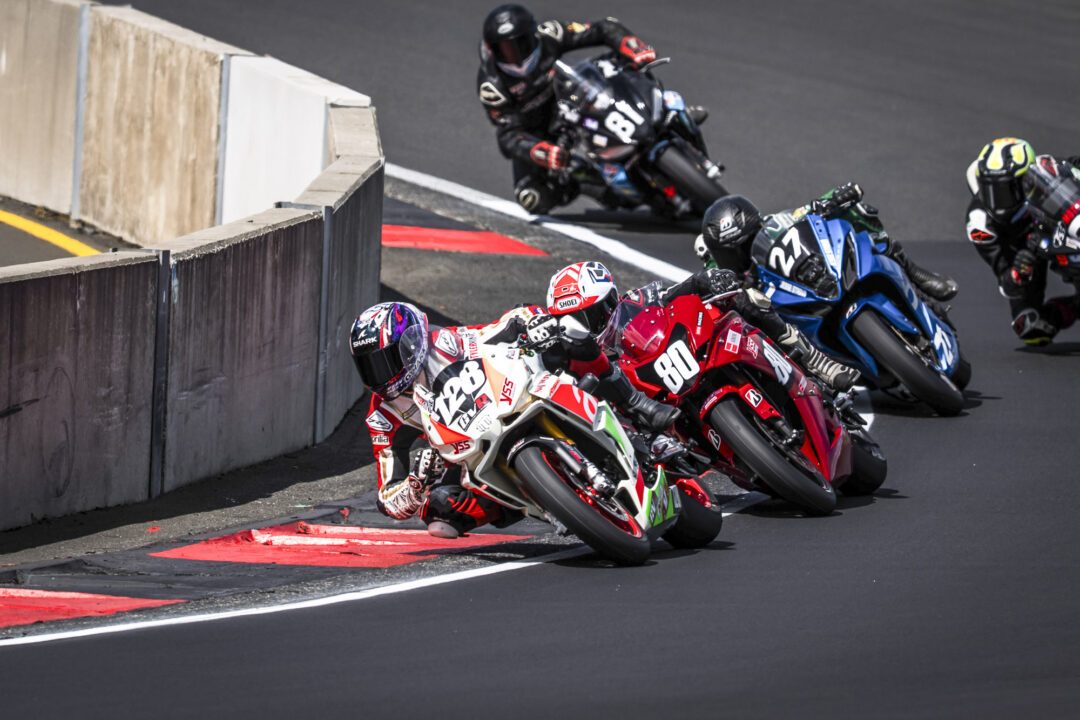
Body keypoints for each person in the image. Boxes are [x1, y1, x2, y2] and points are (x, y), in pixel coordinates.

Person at [350, 298, 680, 539]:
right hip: (467, 445)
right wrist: (415, 485)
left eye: (386, 360)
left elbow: (505, 323)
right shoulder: (382, 414)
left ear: (411, 344)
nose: (382, 374)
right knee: (438, 512)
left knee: (566, 336)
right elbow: (387, 497)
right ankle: (545, 501)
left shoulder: (445, 343)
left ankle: (637, 406)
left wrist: (532, 322)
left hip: (506, 397)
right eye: (371, 366)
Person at [477, 4, 704, 214]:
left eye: (520, 44)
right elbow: (508, 136)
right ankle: (594, 183)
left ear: (533, 35)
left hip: (573, 97)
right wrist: (540, 150)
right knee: (531, 197)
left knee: (619, 65)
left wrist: (633, 46)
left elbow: (603, 28)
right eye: (504, 50)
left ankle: (662, 111)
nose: (514, 54)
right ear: (492, 50)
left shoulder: (550, 35)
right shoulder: (492, 86)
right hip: (541, 133)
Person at [533, 260, 859, 393]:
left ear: (610, 300)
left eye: (589, 315)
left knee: (746, 299)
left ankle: (811, 359)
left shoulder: (634, 301)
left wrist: (704, 281)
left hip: (684, 353)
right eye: (572, 322)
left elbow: (671, 291)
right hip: (653, 398)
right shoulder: (580, 360)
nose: (583, 327)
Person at [695, 185, 959, 306]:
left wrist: (837, 197)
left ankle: (913, 273)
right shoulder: (715, 271)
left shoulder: (773, 223)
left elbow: (809, 210)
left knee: (857, 212)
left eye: (745, 244)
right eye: (731, 252)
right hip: (781, 309)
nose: (740, 254)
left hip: (813, 275)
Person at [965, 137, 1080, 346]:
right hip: (1024, 252)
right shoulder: (980, 225)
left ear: (1026, 179)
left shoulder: (1047, 169)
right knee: (1028, 325)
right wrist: (1019, 270)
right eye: (990, 189)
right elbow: (1007, 284)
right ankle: (1075, 306)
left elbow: (1074, 167)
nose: (997, 200)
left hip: (1055, 229)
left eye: (1004, 189)